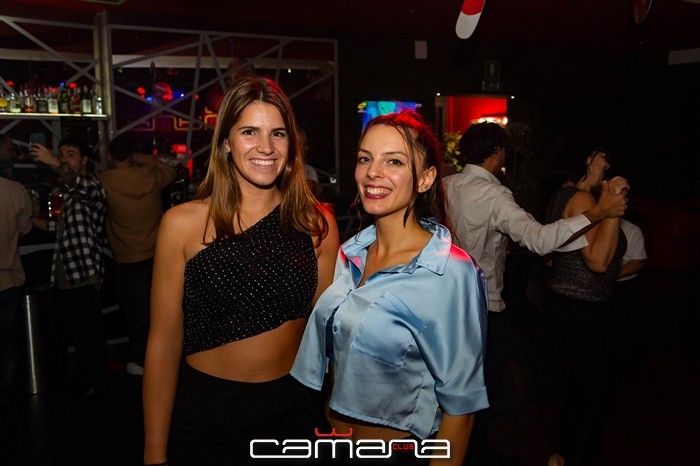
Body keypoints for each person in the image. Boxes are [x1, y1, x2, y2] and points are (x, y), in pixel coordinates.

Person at [142, 76, 339, 466]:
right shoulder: (181, 224)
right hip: (207, 414)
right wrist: (154, 453)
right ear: (226, 143)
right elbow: (163, 344)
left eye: (278, 133)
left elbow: (327, 342)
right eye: (250, 131)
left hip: (293, 410)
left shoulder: (316, 224)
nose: (266, 147)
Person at [292, 110, 488, 465]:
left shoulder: (449, 272)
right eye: (365, 158)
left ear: (426, 179)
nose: (373, 172)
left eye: (393, 161)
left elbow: (462, 408)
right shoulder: (351, 253)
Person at [442, 123, 628, 465]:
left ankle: (463, 451)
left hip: (444, 306)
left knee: (452, 388)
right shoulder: (494, 194)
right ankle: (472, 454)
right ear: (497, 152)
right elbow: (539, 240)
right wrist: (599, 213)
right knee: (483, 391)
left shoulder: (444, 186)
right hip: (483, 309)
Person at [543, 142, 628, 466]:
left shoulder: (565, 195)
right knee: (597, 392)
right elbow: (598, 261)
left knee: (583, 388)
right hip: (578, 307)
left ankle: (562, 455)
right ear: (587, 159)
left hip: (571, 305)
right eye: (603, 156)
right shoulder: (580, 199)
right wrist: (612, 208)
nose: (608, 163)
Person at [29, 136, 109, 396]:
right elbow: (58, 227)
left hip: (85, 271)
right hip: (65, 273)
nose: (64, 158)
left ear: (84, 160)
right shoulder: (63, 193)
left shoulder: (93, 187)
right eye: (61, 154)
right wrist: (28, 218)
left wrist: (53, 162)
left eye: (70, 154)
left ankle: (96, 385)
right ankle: (84, 382)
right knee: (75, 332)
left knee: (89, 333)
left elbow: (80, 185)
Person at [98, 136, 177, 376]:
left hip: (126, 257)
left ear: (109, 156)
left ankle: (143, 362)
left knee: (134, 314)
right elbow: (171, 171)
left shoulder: (102, 182)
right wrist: (143, 158)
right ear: (133, 155)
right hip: (156, 254)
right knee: (159, 310)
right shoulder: (150, 177)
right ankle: (165, 358)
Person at [0, 135, 33, 406]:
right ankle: (5, 394)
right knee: (7, 343)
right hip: (8, 277)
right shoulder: (16, 190)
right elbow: (24, 230)